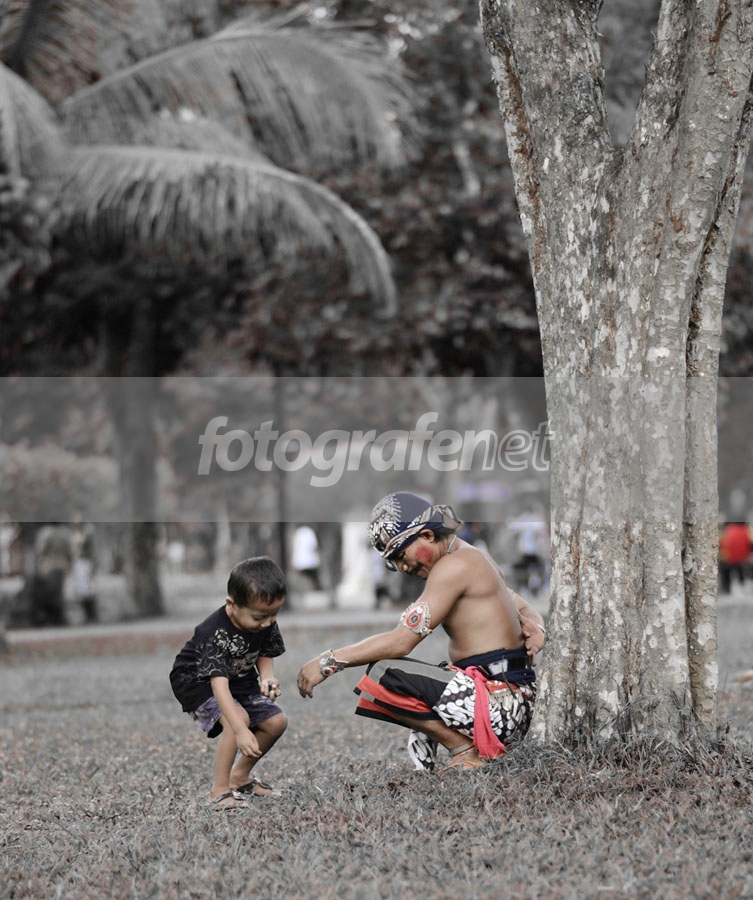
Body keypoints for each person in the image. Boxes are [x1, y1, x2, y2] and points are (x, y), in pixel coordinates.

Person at [297, 492, 546, 773]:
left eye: (401, 555)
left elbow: (401, 642)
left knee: (384, 673)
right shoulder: (475, 558)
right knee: (411, 681)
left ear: (427, 535)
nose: (402, 568)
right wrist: (538, 629)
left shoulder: (453, 566)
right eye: (393, 562)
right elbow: (525, 608)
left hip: (502, 707)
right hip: (515, 703)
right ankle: (456, 755)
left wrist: (328, 661)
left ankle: (465, 752)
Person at [170, 557, 288, 809]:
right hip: (196, 681)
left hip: (238, 677)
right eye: (260, 617)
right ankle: (220, 791)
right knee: (238, 719)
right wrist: (241, 730)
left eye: (274, 615)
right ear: (231, 605)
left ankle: (240, 777)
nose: (267, 623)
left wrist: (267, 677)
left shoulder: (263, 619)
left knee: (276, 722)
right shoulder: (214, 633)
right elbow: (218, 686)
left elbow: (265, 651)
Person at [292, 524, 321, 591]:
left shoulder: (298, 532)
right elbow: (314, 546)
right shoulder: (310, 532)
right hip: (310, 562)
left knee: (303, 578)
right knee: (312, 578)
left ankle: (304, 590)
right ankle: (313, 589)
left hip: (299, 562)